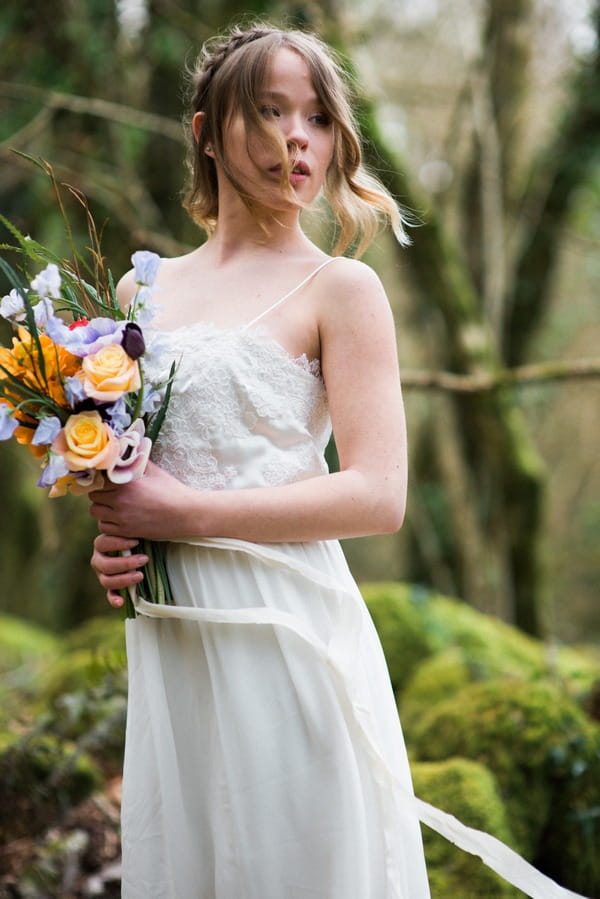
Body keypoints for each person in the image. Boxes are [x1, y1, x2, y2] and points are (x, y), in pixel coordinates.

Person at [88, 22, 588, 899]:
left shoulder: (342, 289)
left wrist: (184, 516)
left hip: (289, 627)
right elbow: (135, 474)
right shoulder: (142, 293)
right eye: (270, 111)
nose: (297, 138)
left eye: (318, 117)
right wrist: (117, 541)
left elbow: (378, 493)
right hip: (173, 641)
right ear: (207, 129)